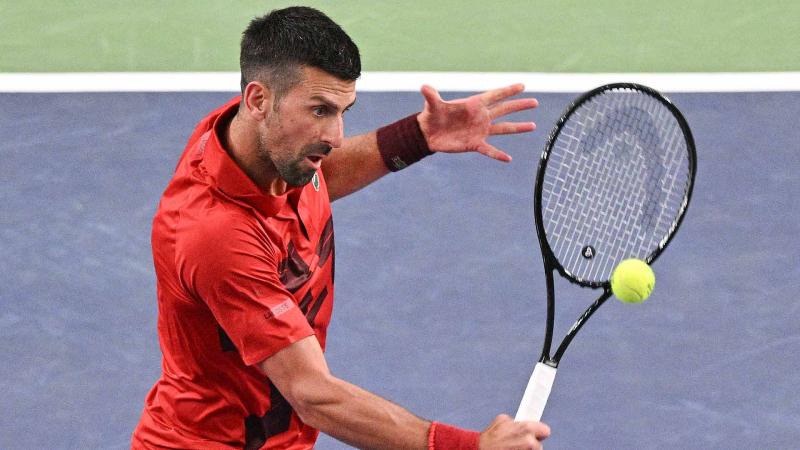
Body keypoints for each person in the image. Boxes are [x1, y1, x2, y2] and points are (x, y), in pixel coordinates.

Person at [132, 6, 550, 450]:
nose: (334, 134)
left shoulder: (267, 146)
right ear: (257, 100)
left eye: (343, 110)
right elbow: (313, 395)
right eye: (320, 111)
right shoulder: (215, 235)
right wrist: (469, 447)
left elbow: (319, 178)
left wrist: (417, 136)